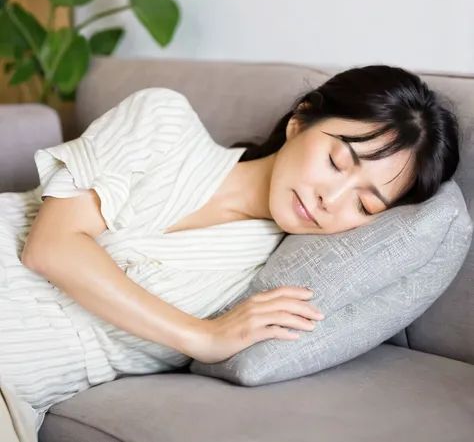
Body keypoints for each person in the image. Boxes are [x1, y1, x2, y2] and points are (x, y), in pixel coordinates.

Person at [0, 65, 459, 436]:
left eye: (364, 203)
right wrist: (202, 336)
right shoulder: (163, 120)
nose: (331, 200)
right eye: (337, 163)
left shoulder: (266, 279)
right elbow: (52, 247)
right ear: (300, 120)